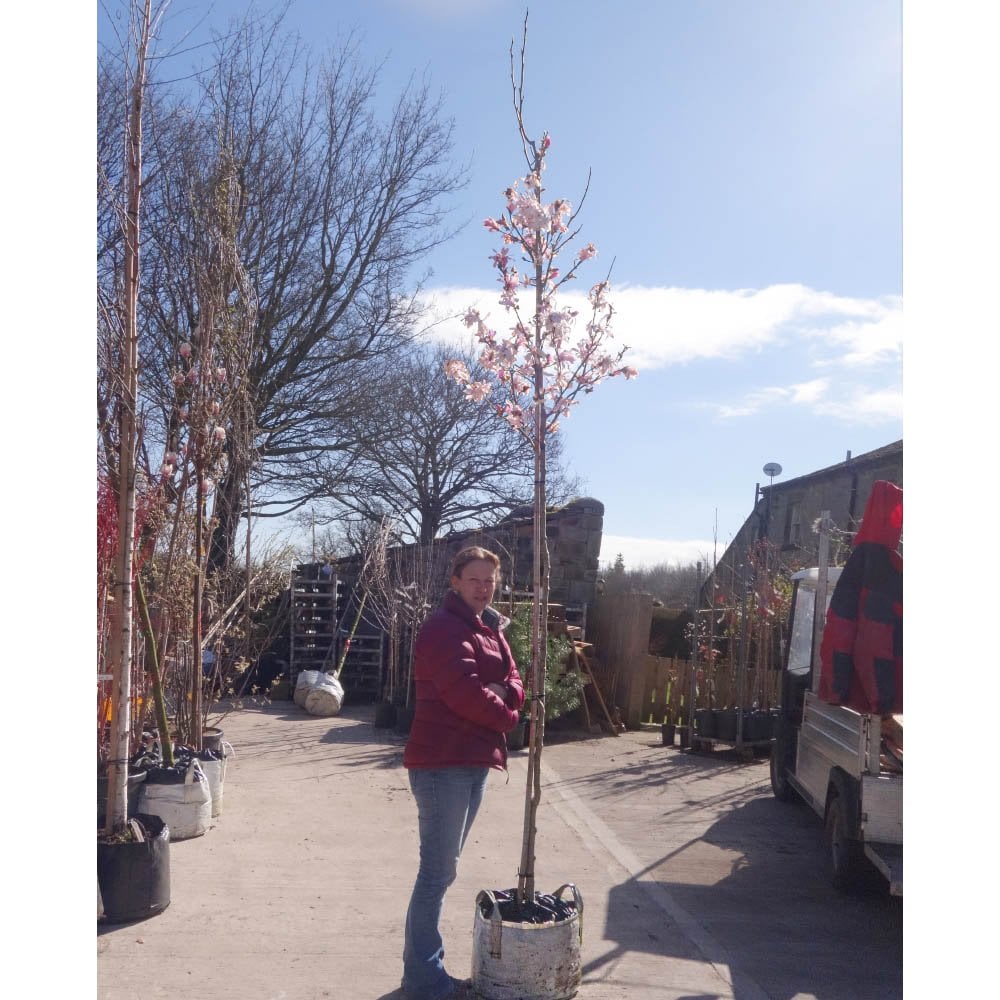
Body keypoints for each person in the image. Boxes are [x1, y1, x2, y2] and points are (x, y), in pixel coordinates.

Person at [401, 546, 525, 1000]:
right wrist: (510, 718)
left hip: (474, 760)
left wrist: (505, 693)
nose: (483, 587)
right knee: (436, 874)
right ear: (455, 581)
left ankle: (424, 975)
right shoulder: (442, 629)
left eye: (490, 580)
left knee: (443, 871)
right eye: (474, 579)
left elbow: (515, 680)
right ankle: (423, 980)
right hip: (442, 764)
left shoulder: (490, 629)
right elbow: (465, 694)